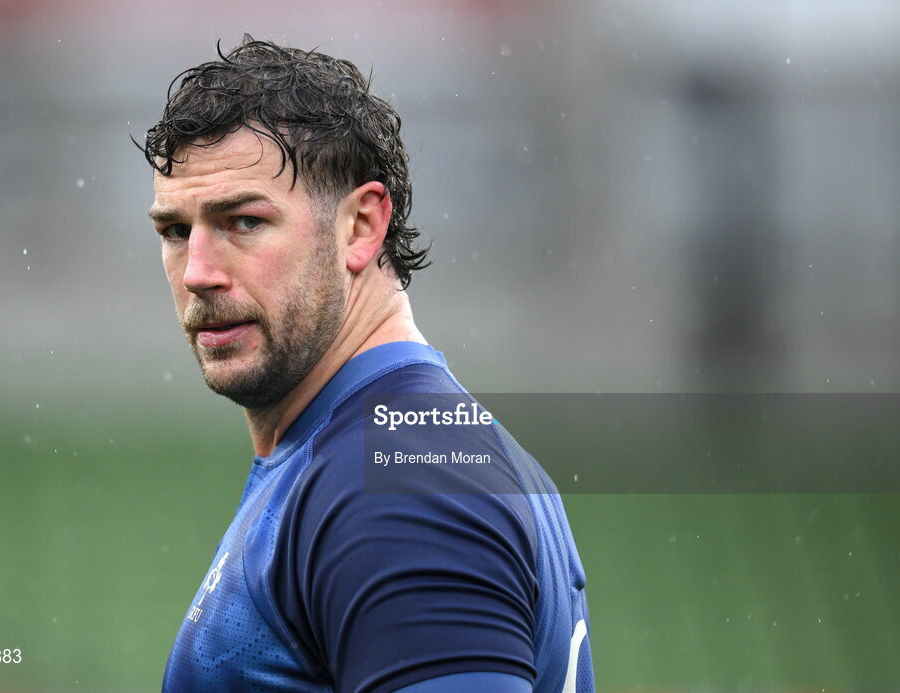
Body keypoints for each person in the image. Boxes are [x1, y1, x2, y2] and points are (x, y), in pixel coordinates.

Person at [141, 35, 595, 693]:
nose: (199, 272)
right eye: (175, 231)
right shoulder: (378, 452)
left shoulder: (403, 486)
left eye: (242, 221)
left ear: (359, 227)